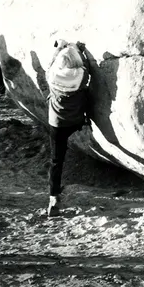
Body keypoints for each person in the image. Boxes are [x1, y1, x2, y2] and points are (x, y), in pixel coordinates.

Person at [45, 39, 91, 217]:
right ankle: (88, 119)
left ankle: (53, 198)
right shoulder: (81, 74)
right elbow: (87, 67)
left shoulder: (52, 74)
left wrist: (59, 49)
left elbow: (50, 64)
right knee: (87, 93)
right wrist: (81, 50)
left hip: (57, 122)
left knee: (56, 161)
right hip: (77, 119)